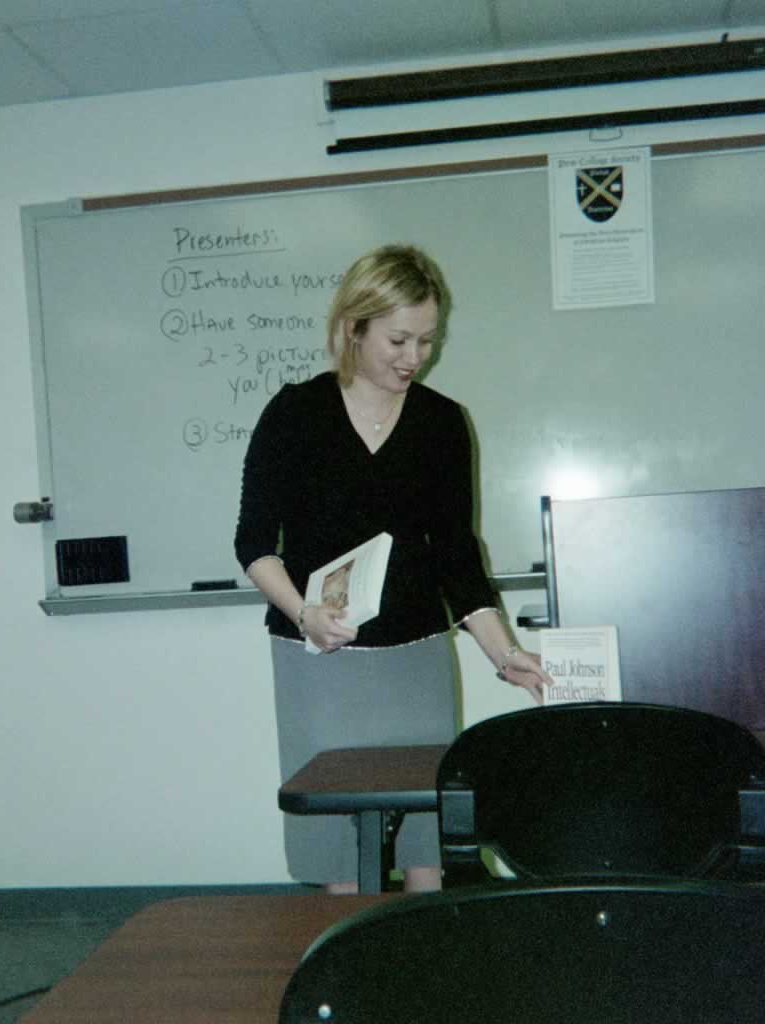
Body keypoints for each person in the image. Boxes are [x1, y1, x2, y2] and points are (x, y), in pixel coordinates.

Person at [234, 243, 551, 894]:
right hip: (318, 660)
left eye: (427, 341)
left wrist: (504, 652)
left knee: (424, 847)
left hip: (416, 657)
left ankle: (423, 980)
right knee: (337, 851)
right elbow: (253, 543)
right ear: (354, 328)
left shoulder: (441, 424)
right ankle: (348, 978)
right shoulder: (294, 414)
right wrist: (303, 615)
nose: (414, 358)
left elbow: (458, 558)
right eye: (398, 339)